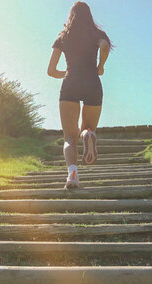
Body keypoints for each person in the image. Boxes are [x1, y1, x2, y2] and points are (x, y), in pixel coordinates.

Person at [47, 1, 112, 189]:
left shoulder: (63, 37)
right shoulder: (97, 34)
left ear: (71, 16)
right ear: (89, 16)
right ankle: (88, 134)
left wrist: (66, 73)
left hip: (71, 83)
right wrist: (100, 66)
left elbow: (51, 71)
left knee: (69, 137)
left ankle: (72, 174)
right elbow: (105, 46)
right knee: (88, 127)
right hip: (92, 82)